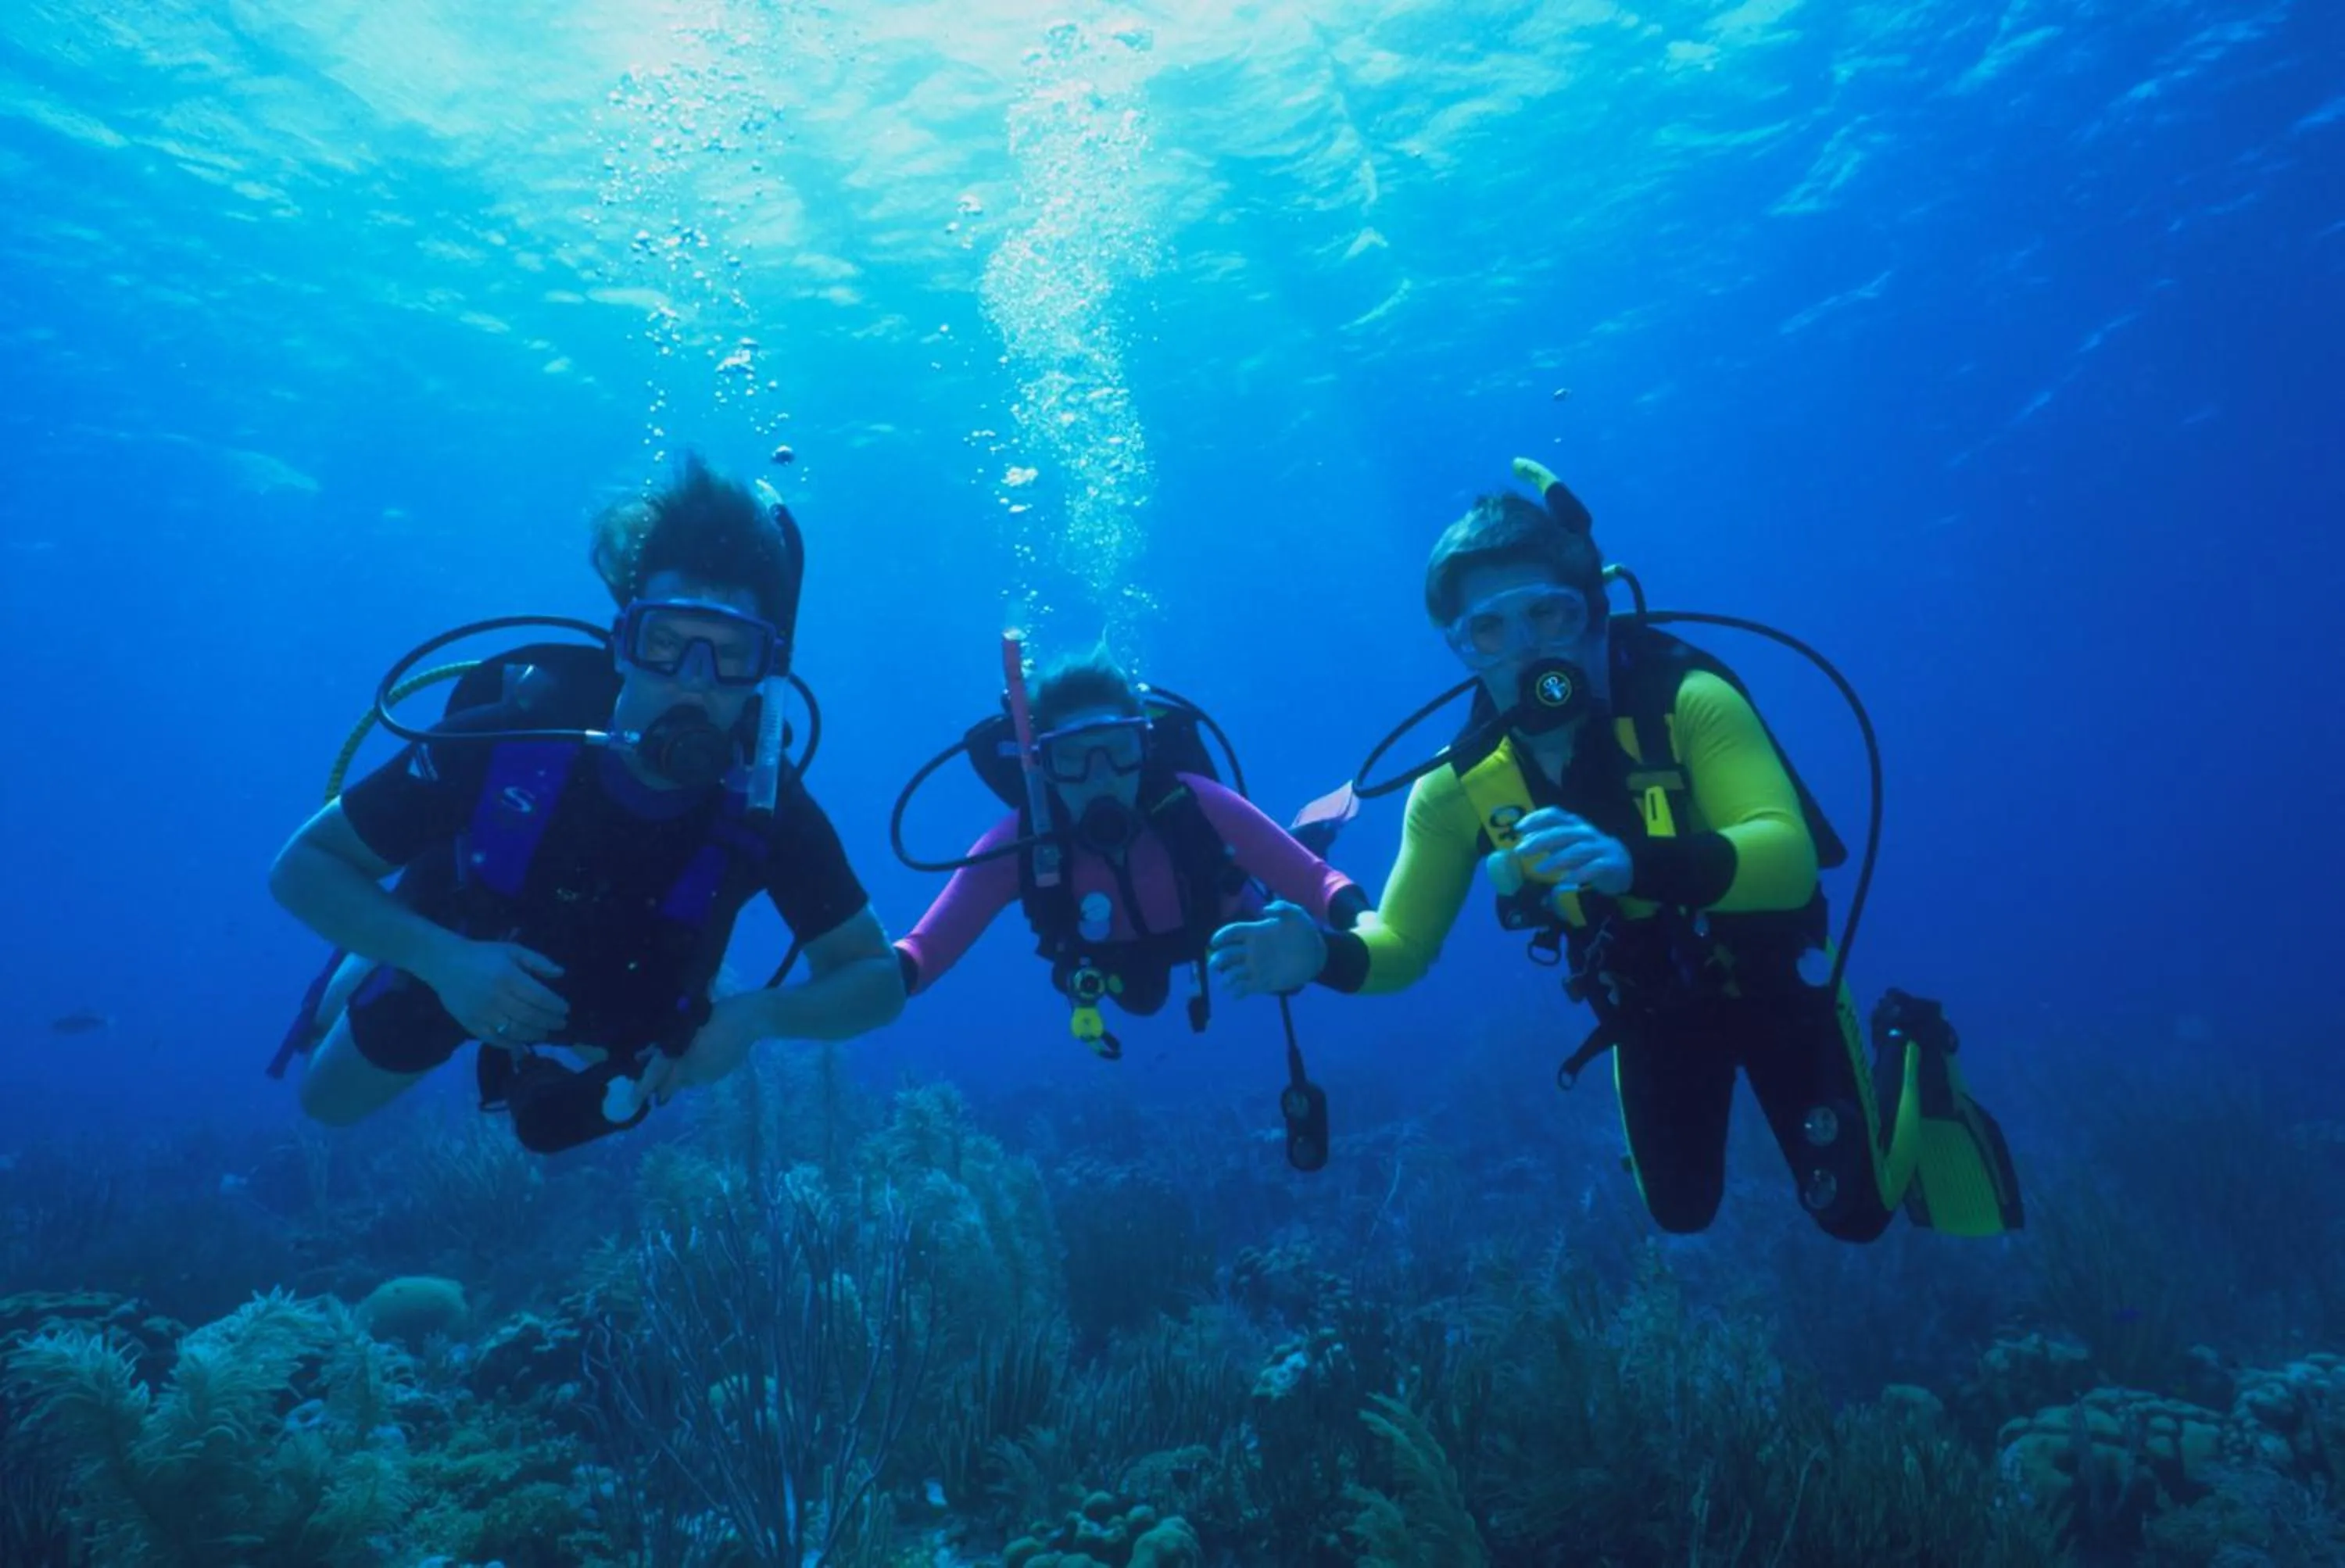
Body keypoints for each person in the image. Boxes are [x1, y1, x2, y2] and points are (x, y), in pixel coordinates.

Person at [1208, 459, 2023, 1240]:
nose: (1525, 650)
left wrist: (1634, 862)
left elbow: (1787, 857)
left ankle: (1911, 1041)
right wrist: (1321, 956)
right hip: (1648, 1006)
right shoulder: (1455, 790)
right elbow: (1402, 945)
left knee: (1857, 1215)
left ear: (1591, 609)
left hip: (1778, 980)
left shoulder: (1691, 701)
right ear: (1460, 647)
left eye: (1547, 614)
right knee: (1680, 1210)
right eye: (1488, 629)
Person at [267, 454, 903, 1152]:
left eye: (732, 656)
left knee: (630, 1082)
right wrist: (438, 960)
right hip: (460, 952)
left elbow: (876, 979)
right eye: (665, 643)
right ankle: (374, 951)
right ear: (623, 644)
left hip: (626, 995)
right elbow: (301, 867)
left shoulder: (764, 800)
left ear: (765, 673)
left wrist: (758, 1018)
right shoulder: (512, 739)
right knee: (327, 1103)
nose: (693, 682)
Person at [889, 639, 1365, 1164]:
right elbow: (925, 949)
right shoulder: (1025, 842)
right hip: (1113, 957)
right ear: (1042, 764)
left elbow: (1315, 881)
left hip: (1220, 921)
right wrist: (888, 976)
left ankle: (1311, 831)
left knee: (1288, 973)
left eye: (1118, 750)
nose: (1101, 778)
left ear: (1144, 747)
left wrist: (1359, 917)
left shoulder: (1196, 803)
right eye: (1073, 757)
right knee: (1141, 1002)